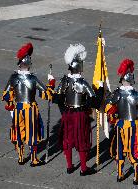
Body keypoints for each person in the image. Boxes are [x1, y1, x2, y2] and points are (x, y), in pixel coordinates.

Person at [2, 42, 55, 166]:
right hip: (30, 109)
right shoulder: (32, 79)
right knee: (32, 133)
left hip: (18, 108)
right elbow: (46, 94)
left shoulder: (13, 77)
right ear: (28, 63)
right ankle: (33, 159)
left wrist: (10, 104)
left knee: (18, 132)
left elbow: (6, 94)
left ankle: (21, 157)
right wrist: (51, 83)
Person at [105, 59, 138, 185]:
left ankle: (120, 174)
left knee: (120, 149)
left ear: (122, 80)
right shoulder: (137, 95)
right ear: (132, 80)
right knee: (137, 150)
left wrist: (114, 118)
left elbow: (108, 108)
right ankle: (137, 177)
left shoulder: (117, 93)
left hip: (120, 125)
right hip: (134, 126)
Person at [55, 43, 103, 175]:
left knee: (68, 139)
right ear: (79, 68)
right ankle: (83, 168)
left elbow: (57, 98)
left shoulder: (64, 81)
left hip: (67, 113)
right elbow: (94, 100)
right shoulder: (82, 82)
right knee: (82, 139)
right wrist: (100, 89)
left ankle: (69, 166)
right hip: (80, 114)